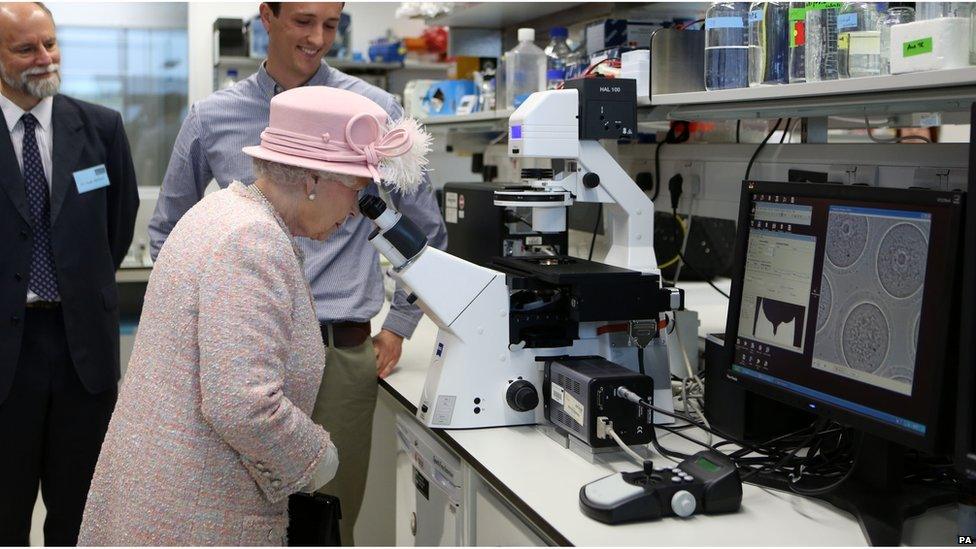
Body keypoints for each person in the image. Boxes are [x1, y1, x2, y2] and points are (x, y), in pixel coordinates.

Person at [80, 85, 431, 546]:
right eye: (357, 191)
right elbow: (244, 405)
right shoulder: (252, 241)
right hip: (198, 513)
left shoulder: (219, 210)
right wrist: (320, 460)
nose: (356, 213)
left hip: (159, 496)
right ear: (312, 180)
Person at [148, 2, 446, 543]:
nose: (318, 38)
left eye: (331, 25)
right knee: (233, 522)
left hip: (338, 353)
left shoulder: (372, 114)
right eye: (304, 21)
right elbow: (170, 232)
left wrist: (399, 325)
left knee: (323, 525)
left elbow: (424, 235)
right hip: (234, 357)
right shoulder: (213, 116)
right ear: (267, 15)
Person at [0, 3, 138, 545]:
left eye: (50, 43)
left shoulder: (101, 128)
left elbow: (117, 226)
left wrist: (74, 281)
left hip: (84, 350)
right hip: (6, 359)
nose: (45, 58)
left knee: (81, 513)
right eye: (25, 48)